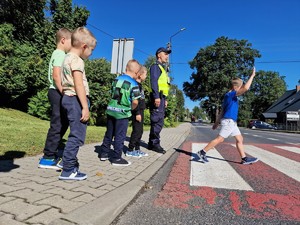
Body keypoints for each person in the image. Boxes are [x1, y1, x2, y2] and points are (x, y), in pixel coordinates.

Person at [198, 68, 259, 165]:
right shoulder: (230, 95)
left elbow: (222, 111)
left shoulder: (228, 96)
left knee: (240, 139)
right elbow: (246, 88)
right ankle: (202, 152)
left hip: (232, 122)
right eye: (240, 87)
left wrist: (216, 123)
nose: (241, 89)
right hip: (229, 121)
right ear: (235, 87)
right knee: (220, 139)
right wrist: (252, 76)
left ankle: (244, 158)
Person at [58, 27, 97, 180]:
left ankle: (69, 163)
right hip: (76, 99)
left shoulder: (66, 58)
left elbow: (63, 82)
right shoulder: (77, 61)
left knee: (73, 133)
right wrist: (85, 107)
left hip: (67, 97)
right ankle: (68, 169)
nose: (91, 54)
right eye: (91, 50)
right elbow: (78, 84)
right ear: (84, 46)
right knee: (77, 136)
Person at [38, 28, 72, 169]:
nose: (72, 45)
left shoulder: (59, 54)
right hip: (56, 92)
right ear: (63, 40)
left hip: (57, 92)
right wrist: (63, 91)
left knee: (64, 122)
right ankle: (47, 158)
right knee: (57, 124)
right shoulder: (59, 54)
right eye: (71, 42)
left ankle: (54, 150)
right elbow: (56, 75)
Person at [99, 59, 141, 166]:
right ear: (136, 73)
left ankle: (103, 153)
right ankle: (116, 158)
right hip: (122, 112)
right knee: (120, 135)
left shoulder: (116, 79)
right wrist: (131, 108)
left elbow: (111, 93)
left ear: (126, 68)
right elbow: (135, 101)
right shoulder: (134, 84)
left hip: (111, 110)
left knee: (109, 133)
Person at [148, 47, 171, 154]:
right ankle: (155, 144)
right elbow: (154, 82)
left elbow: (164, 86)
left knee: (159, 121)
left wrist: (164, 99)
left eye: (168, 54)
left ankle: (151, 143)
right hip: (157, 97)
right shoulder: (155, 67)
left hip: (161, 98)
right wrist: (157, 96)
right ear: (159, 55)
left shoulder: (162, 68)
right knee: (157, 121)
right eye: (165, 54)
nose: (167, 56)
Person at [127, 66, 148, 157]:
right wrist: (137, 113)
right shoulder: (135, 85)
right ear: (139, 74)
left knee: (140, 131)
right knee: (136, 130)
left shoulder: (140, 86)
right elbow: (135, 101)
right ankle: (130, 150)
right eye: (145, 74)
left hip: (141, 111)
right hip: (137, 112)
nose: (146, 76)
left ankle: (137, 149)